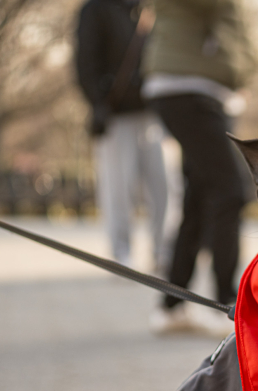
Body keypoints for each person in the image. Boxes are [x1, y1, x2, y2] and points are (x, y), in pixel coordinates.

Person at [142, 0, 255, 335]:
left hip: (203, 90)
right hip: (186, 87)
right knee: (231, 190)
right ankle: (227, 306)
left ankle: (172, 308)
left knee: (200, 195)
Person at [76, 0, 170, 271]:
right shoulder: (95, 9)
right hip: (116, 115)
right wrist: (98, 101)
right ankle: (120, 254)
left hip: (155, 111)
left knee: (164, 187)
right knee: (118, 188)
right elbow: (85, 61)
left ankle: (164, 251)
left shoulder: (152, 7)